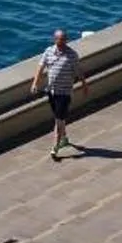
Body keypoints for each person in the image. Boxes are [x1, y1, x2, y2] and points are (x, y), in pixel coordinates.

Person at [30, 29, 89, 157]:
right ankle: (65, 138)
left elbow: (79, 71)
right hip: (51, 91)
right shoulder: (49, 52)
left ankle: (55, 146)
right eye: (59, 39)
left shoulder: (72, 55)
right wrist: (35, 83)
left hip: (64, 92)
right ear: (55, 39)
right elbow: (41, 68)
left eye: (64, 39)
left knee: (59, 119)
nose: (62, 42)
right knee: (59, 117)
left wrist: (84, 85)